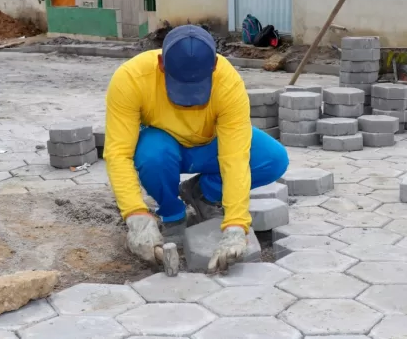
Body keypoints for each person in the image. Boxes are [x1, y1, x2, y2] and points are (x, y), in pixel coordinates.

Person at [104, 24, 289, 273]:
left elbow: (235, 157)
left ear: (214, 65)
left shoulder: (228, 83)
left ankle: (203, 193)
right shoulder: (131, 79)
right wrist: (135, 215)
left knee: (273, 159)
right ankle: (172, 214)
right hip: (165, 147)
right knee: (151, 155)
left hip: (210, 146)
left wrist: (236, 225)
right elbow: (118, 153)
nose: (190, 101)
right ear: (161, 64)